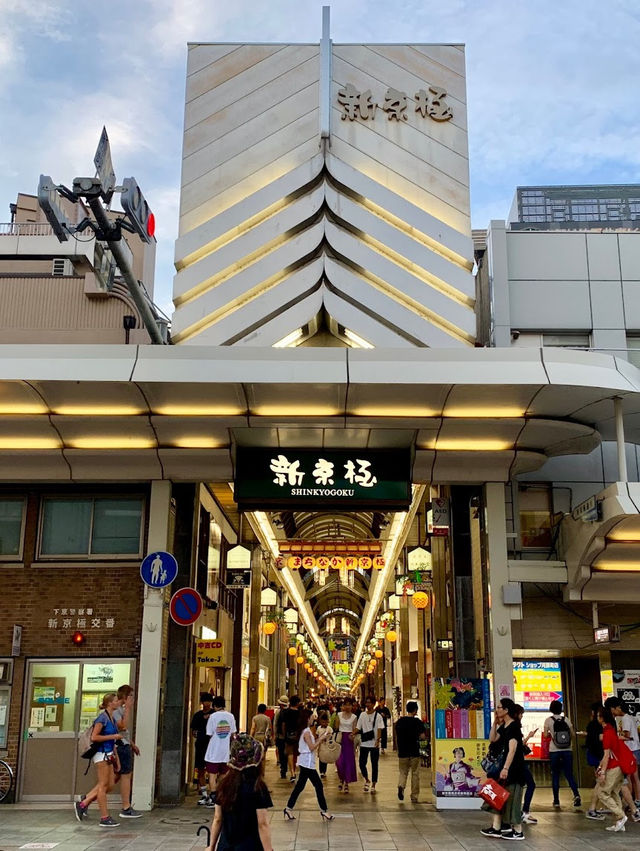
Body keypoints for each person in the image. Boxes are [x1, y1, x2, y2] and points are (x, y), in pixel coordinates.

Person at [205, 733, 273, 851]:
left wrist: (211, 846)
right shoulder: (258, 787)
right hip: (250, 846)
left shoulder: (224, 785)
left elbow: (217, 818)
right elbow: (262, 824)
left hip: (226, 846)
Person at [74, 693, 123, 829]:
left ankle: (84, 802)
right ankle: (104, 817)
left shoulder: (111, 718)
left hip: (109, 754)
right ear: (109, 703)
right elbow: (95, 737)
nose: (117, 702)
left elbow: (113, 742)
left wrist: (117, 759)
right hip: (101, 755)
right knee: (103, 785)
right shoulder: (102, 719)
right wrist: (113, 736)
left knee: (111, 784)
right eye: (115, 701)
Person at [480, 697, 526, 841]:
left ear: (506, 710)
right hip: (503, 769)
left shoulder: (513, 728)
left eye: (499, 707)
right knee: (499, 798)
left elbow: (512, 750)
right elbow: (492, 739)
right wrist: (494, 723)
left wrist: (505, 768)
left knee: (512, 800)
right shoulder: (504, 726)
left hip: (513, 770)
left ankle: (518, 831)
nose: (497, 709)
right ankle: (496, 827)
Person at [283, 708, 334, 821]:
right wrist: (321, 739)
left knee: (300, 787)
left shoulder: (305, 730)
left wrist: (321, 737)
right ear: (307, 718)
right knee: (318, 786)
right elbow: (311, 747)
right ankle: (324, 810)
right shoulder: (306, 732)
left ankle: (288, 808)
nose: (313, 719)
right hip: (307, 763)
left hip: (306, 762)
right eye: (312, 717)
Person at [594, 704, 631, 832]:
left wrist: (602, 771)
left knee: (602, 792)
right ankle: (619, 822)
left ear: (602, 718)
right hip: (620, 767)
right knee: (614, 793)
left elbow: (606, 755)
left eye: (598, 716)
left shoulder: (607, 733)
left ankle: (621, 816)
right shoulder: (612, 731)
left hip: (613, 767)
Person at [543, 699, 581, 808]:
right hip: (567, 750)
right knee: (569, 774)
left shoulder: (548, 720)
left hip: (554, 750)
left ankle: (556, 800)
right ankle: (576, 795)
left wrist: (552, 735)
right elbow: (573, 734)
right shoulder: (567, 719)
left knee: (555, 775)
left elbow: (545, 736)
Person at [111, 684, 142, 819]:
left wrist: (132, 744)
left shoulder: (120, 710)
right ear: (124, 696)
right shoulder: (117, 710)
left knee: (114, 778)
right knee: (125, 776)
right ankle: (126, 807)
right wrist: (128, 708)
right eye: (131, 696)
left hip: (124, 745)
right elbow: (123, 726)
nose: (132, 699)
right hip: (120, 747)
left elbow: (124, 732)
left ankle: (86, 800)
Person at [203, 695, 237, 807]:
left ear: (215, 705)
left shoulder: (213, 717)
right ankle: (221, 795)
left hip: (213, 751)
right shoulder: (231, 716)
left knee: (212, 775)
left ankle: (213, 797)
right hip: (225, 752)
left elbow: (209, 733)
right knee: (223, 775)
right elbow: (233, 734)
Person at [607, 696, 640, 805]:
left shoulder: (625, 719)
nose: (612, 712)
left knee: (630, 777)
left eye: (612, 709)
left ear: (617, 708)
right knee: (634, 777)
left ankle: (630, 801)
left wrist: (613, 737)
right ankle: (636, 800)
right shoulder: (629, 717)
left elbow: (627, 736)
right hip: (635, 748)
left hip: (631, 750)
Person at [395, 700, 426, 803]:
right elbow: (422, 736)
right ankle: (414, 796)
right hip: (414, 751)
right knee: (415, 773)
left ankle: (401, 786)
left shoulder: (400, 721)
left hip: (403, 752)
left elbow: (397, 736)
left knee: (403, 772)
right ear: (415, 710)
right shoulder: (417, 722)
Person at [580, 702, 606, 820]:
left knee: (600, 781)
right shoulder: (600, 725)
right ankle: (592, 808)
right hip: (600, 755)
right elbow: (600, 739)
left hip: (595, 755)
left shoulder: (591, 725)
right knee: (600, 781)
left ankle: (597, 807)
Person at [514, 703, 537, 825]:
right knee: (530, 785)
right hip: (519, 763)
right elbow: (517, 746)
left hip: (517, 762)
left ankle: (522, 812)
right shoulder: (515, 727)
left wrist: (528, 737)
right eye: (521, 714)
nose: (522, 716)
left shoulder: (512, 727)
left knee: (521, 786)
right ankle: (525, 812)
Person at [356, 695, 384, 793]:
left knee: (374, 764)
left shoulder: (378, 716)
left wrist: (378, 740)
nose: (368, 704)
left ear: (373, 704)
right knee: (361, 763)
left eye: (370, 702)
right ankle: (367, 779)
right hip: (364, 743)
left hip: (374, 744)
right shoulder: (362, 715)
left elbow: (380, 728)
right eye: (366, 702)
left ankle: (374, 784)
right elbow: (358, 727)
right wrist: (353, 733)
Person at [191, 692, 213, 804]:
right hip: (200, 745)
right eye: (205, 701)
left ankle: (213, 793)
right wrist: (197, 734)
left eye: (209, 701)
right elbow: (193, 730)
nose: (207, 703)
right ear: (202, 702)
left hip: (212, 745)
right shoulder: (197, 715)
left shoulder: (214, 714)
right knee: (200, 769)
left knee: (213, 769)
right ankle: (204, 793)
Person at [335, 697, 358, 793]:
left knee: (348, 762)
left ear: (352, 706)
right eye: (346, 704)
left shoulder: (354, 717)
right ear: (343, 706)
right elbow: (336, 727)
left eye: (349, 705)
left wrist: (353, 735)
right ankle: (341, 778)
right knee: (339, 762)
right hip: (340, 739)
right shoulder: (339, 715)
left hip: (348, 740)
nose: (348, 707)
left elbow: (354, 729)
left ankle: (346, 783)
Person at [279, 695, 301, 782]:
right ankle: (296, 769)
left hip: (289, 735)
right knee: (297, 753)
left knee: (290, 753)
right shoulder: (300, 713)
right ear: (297, 703)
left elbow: (283, 724)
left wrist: (284, 735)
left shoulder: (286, 712)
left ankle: (292, 773)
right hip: (298, 735)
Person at [273, 695, 289, 779]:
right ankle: (287, 768)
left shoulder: (278, 712)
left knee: (282, 753)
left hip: (280, 736)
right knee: (288, 753)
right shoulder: (290, 711)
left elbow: (275, 724)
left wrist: (275, 735)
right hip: (289, 737)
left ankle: (283, 769)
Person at [316, 710, 330, 779]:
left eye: (325, 722)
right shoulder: (318, 728)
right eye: (322, 722)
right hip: (321, 747)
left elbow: (331, 737)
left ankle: (324, 771)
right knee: (321, 759)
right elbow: (316, 736)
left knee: (325, 760)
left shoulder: (329, 729)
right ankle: (321, 771)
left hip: (327, 747)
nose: (324, 723)